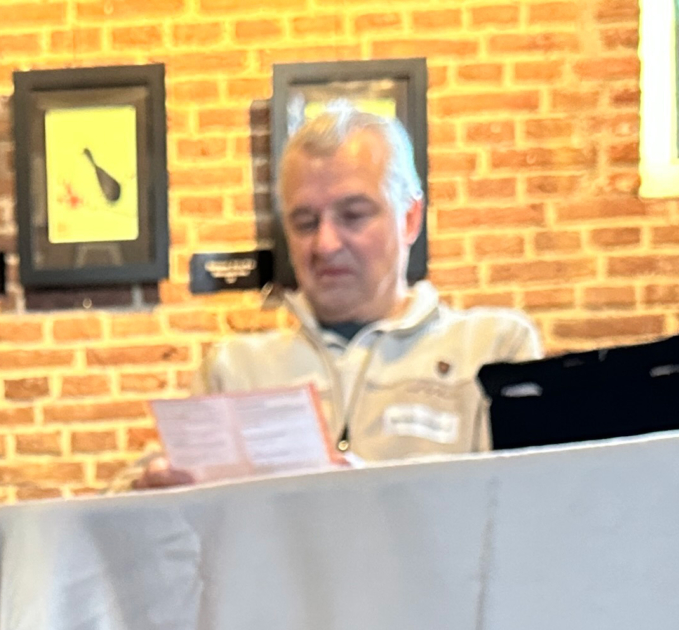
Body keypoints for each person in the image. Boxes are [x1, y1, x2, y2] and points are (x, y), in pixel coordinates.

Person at [129, 104, 542, 490]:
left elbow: (527, 512)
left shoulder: (493, 348)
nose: (325, 244)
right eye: (305, 222)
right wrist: (148, 493)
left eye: (354, 215)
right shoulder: (234, 373)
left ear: (410, 218)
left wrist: (367, 497)